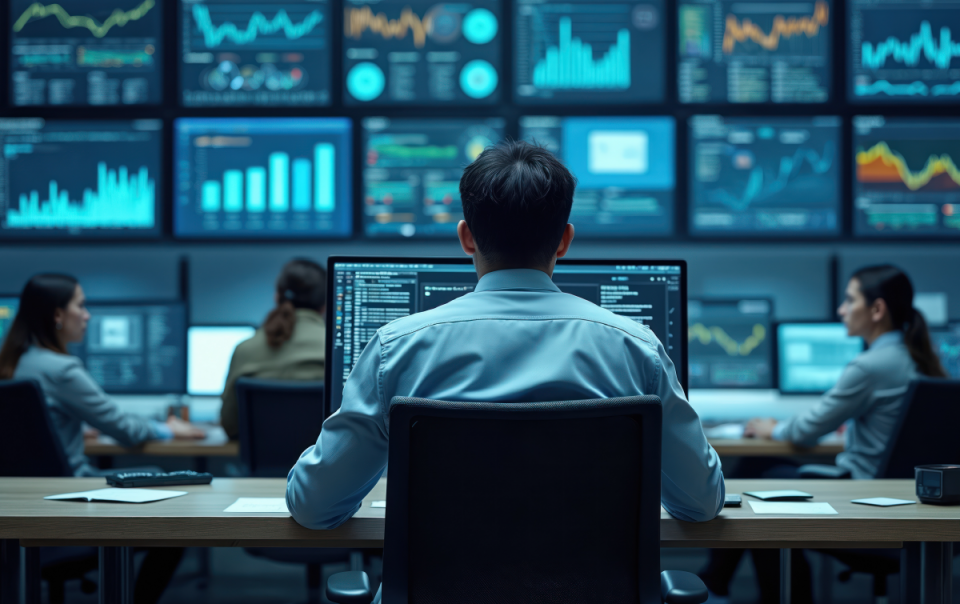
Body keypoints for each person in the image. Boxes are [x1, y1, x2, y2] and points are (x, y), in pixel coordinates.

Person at [287, 141, 724, 571]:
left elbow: (314, 507)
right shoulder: (636, 350)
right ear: (565, 241)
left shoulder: (396, 349)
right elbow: (700, 504)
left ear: (466, 238)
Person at [701, 265, 948, 604]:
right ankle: (718, 583)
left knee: (755, 476)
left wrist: (772, 428)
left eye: (849, 300)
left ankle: (717, 584)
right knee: (760, 474)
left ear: (877, 310)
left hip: (866, 501)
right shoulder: (919, 358)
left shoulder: (871, 365)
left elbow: (806, 431)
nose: (841, 310)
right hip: (905, 500)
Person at [0, 273, 205, 604]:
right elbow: (124, 430)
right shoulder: (62, 369)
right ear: (56, 315)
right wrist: (169, 428)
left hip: (22, 502)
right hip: (69, 499)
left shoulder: (13, 364)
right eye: (80, 306)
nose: (87, 315)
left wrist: (71, 427)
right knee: (173, 502)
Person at [219, 258, 327, 440]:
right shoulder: (338, 351)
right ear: (324, 304)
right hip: (324, 467)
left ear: (277, 297)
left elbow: (230, 425)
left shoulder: (245, 349)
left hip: (262, 467)